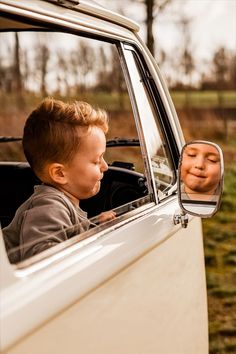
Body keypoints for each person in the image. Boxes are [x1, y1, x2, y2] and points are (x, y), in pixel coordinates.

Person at [3, 97, 116, 264]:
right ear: (59, 173)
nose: (105, 167)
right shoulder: (49, 207)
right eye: (96, 160)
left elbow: (68, 236)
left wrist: (95, 228)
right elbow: (43, 259)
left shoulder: (60, 203)